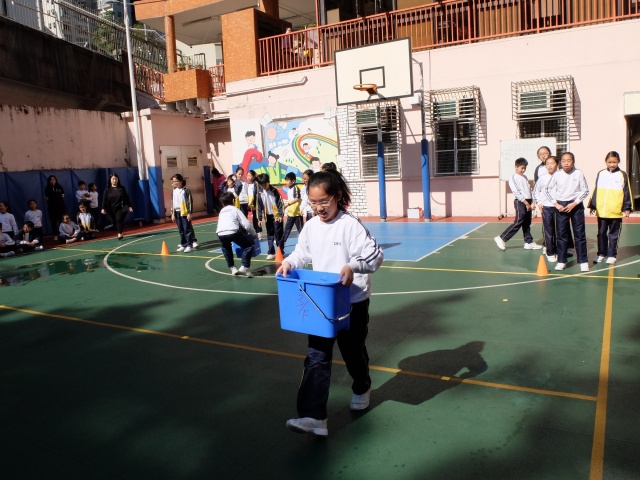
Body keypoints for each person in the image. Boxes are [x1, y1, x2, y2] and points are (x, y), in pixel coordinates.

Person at [277, 169, 384, 437]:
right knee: (316, 356)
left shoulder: (350, 224)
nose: (318, 208)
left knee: (353, 352)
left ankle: (362, 386)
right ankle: (314, 417)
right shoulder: (311, 226)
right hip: (321, 303)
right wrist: (289, 262)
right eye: (313, 202)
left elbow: (375, 254)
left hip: (352, 301)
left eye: (323, 201)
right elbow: (302, 253)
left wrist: (352, 266)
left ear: (337, 196)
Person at [544, 152, 590, 272]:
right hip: (561, 206)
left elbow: (585, 190)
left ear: (573, 161)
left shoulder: (578, 173)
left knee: (579, 235)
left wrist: (575, 203)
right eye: (563, 161)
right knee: (561, 235)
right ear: (560, 163)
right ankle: (561, 261)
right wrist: (556, 204)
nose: (566, 163)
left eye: (569, 160)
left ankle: (583, 261)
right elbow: (547, 190)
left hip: (576, 206)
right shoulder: (557, 175)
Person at [588, 151, 633, 265]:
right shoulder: (601, 173)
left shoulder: (623, 174)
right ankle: (601, 253)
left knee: (613, 234)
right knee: (601, 233)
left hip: (615, 211)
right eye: (609, 162)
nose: (612, 164)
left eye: (614, 162)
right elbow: (595, 190)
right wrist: (593, 205)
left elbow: (627, 191)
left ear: (618, 162)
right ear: (605, 162)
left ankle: (612, 255)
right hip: (602, 210)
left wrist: (627, 208)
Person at [494, 158, 543, 252]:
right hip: (520, 202)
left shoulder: (524, 177)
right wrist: (526, 203)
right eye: (522, 168)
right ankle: (501, 238)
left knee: (527, 223)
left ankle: (528, 242)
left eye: (525, 168)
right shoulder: (513, 178)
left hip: (528, 201)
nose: (523, 170)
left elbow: (529, 189)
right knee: (518, 221)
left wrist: (532, 201)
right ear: (516, 167)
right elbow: (517, 193)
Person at [216, 192, 257, 277]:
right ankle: (244, 267)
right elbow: (246, 224)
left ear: (222, 203)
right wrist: (254, 233)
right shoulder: (235, 209)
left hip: (220, 233)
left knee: (226, 249)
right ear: (233, 200)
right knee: (249, 245)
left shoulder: (221, 211)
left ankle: (233, 268)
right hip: (233, 231)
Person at [533, 156, 560, 262]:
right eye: (547, 164)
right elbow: (535, 192)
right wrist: (539, 202)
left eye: (552, 163)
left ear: (557, 164)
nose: (549, 166)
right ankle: (550, 252)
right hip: (546, 207)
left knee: (559, 230)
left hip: (559, 207)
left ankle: (559, 250)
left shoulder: (561, 176)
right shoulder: (542, 178)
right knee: (548, 231)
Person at [256, 173, 284, 260]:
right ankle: (271, 252)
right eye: (261, 185)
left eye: (265, 184)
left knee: (278, 234)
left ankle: (280, 251)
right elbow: (259, 206)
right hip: (267, 216)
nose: (263, 186)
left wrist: (280, 215)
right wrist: (259, 218)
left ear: (268, 182)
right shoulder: (260, 193)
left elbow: (280, 203)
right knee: (270, 234)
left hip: (276, 216)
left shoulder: (274, 191)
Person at [101, 173, 133, 241]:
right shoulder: (107, 189)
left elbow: (127, 197)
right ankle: (120, 229)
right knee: (114, 221)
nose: (114, 180)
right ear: (110, 180)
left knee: (119, 219)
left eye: (116, 179)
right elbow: (104, 199)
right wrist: (103, 208)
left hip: (120, 207)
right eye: (113, 179)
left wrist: (130, 206)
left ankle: (119, 233)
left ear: (118, 180)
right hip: (110, 208)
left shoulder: (122, 188)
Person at [171, 174, 196, 253]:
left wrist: (189, 213)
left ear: (181, 181)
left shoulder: (186, 190)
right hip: (177, 212)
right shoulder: (174, 190)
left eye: (176, 181)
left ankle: (189, 245)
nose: (175, 183)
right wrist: (173, 213)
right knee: (181, 229)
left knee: (187, 229)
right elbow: (173, 202)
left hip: (184, 212)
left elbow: (190, 202)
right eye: (173, 181)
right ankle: (183, 244)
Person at [281, 172, 303, 252]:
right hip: (291, 214)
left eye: (288, 180)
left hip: (297, 214)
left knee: (301, 231)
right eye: (286, 180)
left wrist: (288, 204)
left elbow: (297, 198)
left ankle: (305, 246)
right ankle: (281, 247)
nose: (286, 182)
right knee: (286, 230)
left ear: (293, 181)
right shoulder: (289, 190)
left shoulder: (296, 188)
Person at [44, 175, 66, 240]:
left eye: (53, 179)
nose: (52, 181)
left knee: (61, 220)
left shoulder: (60, 188)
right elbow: (47, 199)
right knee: (53, 221)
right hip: (52, 208)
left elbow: (62, 197)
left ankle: (62, 233)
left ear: (55, 180)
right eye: (51, 180)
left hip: (61, 207)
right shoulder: (47, 189)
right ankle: (55, 235)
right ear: (49, 181)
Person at [246, 170, 262, 238]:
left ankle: (259, 232)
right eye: (247, 175)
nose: (248, 177)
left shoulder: (256, 183)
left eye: (250, 176)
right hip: (251, 203)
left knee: (257, 218)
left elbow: (256, 194)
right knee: (254, 218)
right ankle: (256, 231)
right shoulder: (249, 184)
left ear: (253, 176)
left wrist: (255, 205)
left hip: (256, 203)